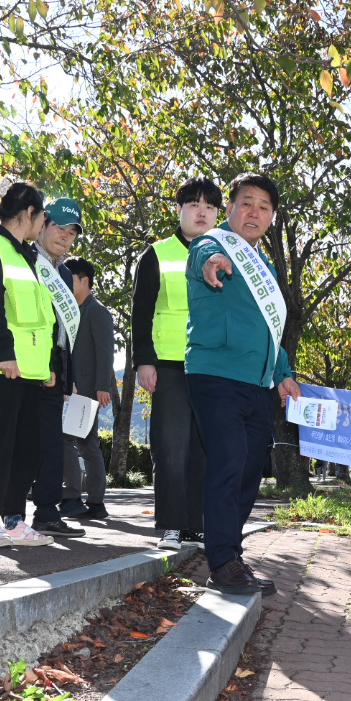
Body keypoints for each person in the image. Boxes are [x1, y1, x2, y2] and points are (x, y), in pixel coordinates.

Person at [184, 172, 302, 595]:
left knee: (252, 468)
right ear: (230, 208)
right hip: (215, 373)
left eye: (264, 207)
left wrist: (283, 372)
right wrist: (212, 264)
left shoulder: (264, 266)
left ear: (270, 218)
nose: (254, 212)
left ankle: (230, 555)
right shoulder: (211, 243)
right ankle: (222, 561)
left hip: (257, 383)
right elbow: (204, 257)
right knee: (229, 460)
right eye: (247, 202)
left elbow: (271, 328)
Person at [133, 178, 222, 551]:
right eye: (193, 204)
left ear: (218, 214)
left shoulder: (227, 253)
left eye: (209, 206)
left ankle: (195, 525)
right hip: (168, 364)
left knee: (204, 448)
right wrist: (144, 361)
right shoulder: (157, 253)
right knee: (170, 447)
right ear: (180, 209)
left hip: (213, 365)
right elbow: (141, 312)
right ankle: (171, 525)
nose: (201, 211)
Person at [0, 180, 56, 548]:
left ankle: (16, 522)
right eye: (42, 215)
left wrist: (48, 364)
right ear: (29, 214)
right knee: (0, 444)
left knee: (28, 448)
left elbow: (41, 318)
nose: (44, 223)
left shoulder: (26, 254)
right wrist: (5, 352)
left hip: (30, 369)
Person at [20, 196, 87, 539]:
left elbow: (65, 328)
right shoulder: (26, 259)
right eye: (59, 227)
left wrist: (67, 376)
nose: (65, 236)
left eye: (72, 232)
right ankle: (12, 515)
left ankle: (46, 512)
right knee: (25, 444)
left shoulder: (62, 271)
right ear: (42, 224)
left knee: (50, 444)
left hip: (54, 367)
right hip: (26, 366)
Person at [60, 256, 114, 521]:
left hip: (90, 390)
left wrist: (103, 387)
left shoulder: (97, 311)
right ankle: (92, 502)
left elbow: (105, 352)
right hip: (74, 389)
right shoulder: (73, 310)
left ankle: (86, 500)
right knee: (83, 442)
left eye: (69, 278)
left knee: (79, 442)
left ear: (85, 281)